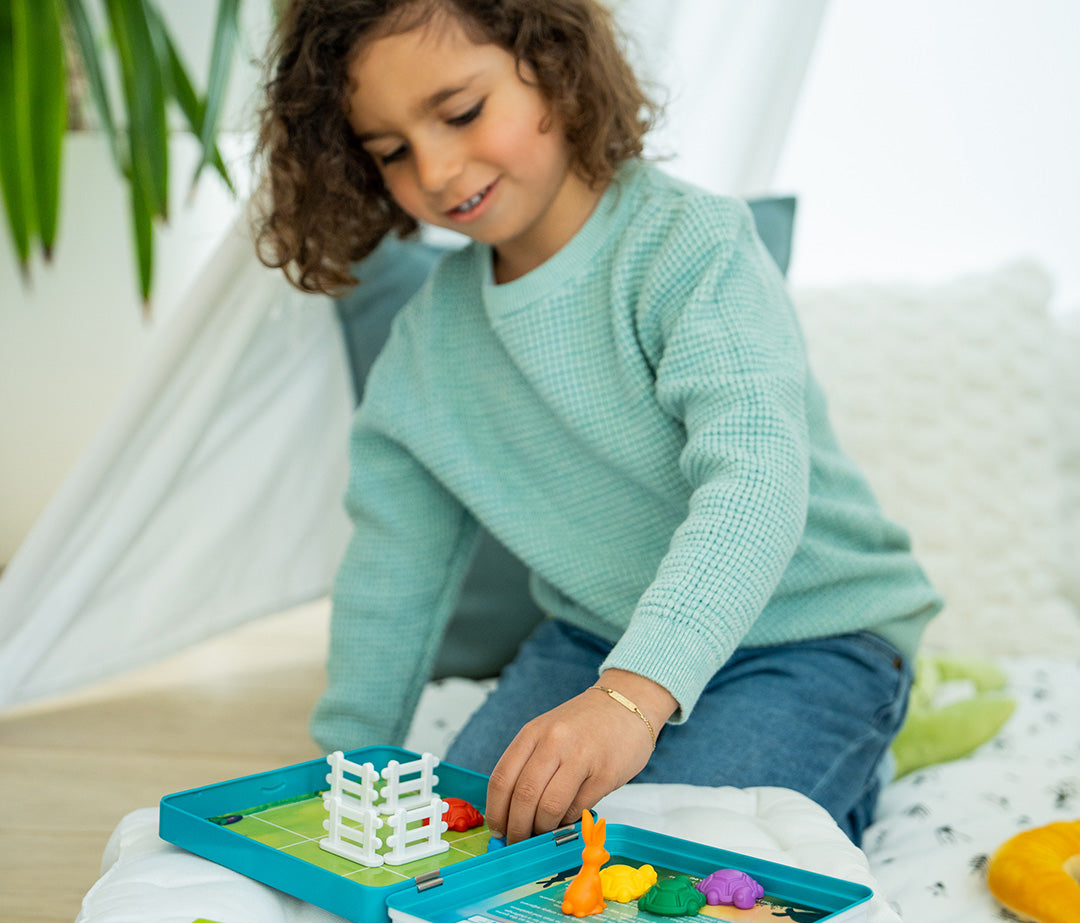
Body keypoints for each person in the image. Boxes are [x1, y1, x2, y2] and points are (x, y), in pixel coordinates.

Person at [253, 0, 943, 848]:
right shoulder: (428, 347)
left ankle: (858, 758)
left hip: (809, 633)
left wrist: (631, 699)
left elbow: (755, 481)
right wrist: (346, 768)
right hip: (592, 638)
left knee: (677, 859)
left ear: (555, 64)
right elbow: (393, 571)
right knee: (480, 837)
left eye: (461, 112)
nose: (434, 169)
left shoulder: (693, 245)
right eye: (391, 150)